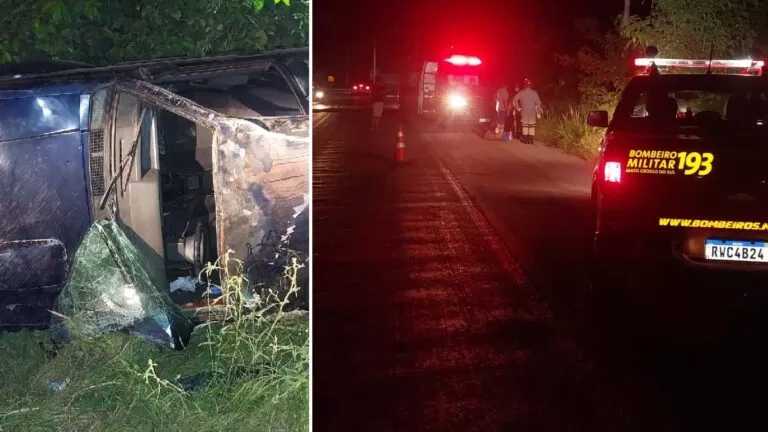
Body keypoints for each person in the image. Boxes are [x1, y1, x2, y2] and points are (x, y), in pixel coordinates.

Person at [512, 78, 542, 144]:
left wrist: (518, 108)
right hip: (532, 112)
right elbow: (539, 103)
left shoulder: (521, 92)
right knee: (531, 125)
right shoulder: (535, 93)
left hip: (524, 112)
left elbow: (514, 100)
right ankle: (531, 140)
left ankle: (525, 140)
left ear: (525, 85)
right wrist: (538, 113)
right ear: (531, 85)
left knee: (525, 125)